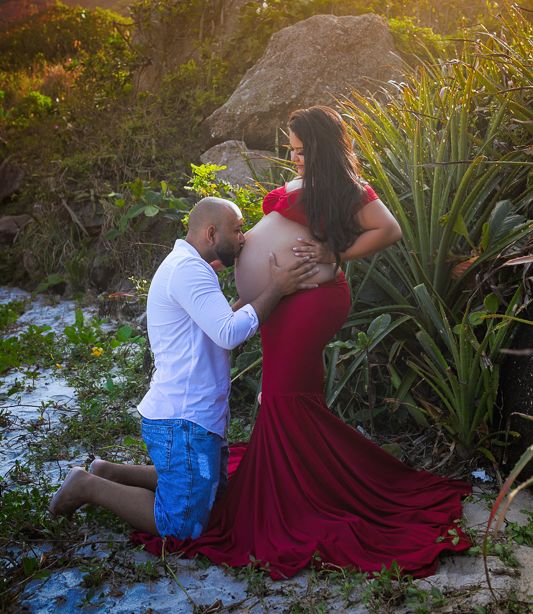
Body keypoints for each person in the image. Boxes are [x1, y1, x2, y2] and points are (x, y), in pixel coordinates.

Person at [133, 106, 472, 580]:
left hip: (309, 301)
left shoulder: (347, 188)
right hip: (281, 303)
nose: (292, 159)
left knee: (283, 398)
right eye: (290, 150)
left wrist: (336, 251)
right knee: (296, 400)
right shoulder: (300, 186)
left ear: (320, 147)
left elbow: (388, 230)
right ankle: (305, 482)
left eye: (298, 150)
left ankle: (294, 496)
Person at [48, 196, 320, 536]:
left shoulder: (192, 266)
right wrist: (278, 288)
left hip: (195, 415)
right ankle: (86, 486)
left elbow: (221, 321)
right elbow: (229, 333)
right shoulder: (188, 271)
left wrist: (268, 291)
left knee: (214, 490)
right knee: (180, 525)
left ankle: (110, 472)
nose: (243, 237)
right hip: (183, 419)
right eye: (236, 230)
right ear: (211, 233)